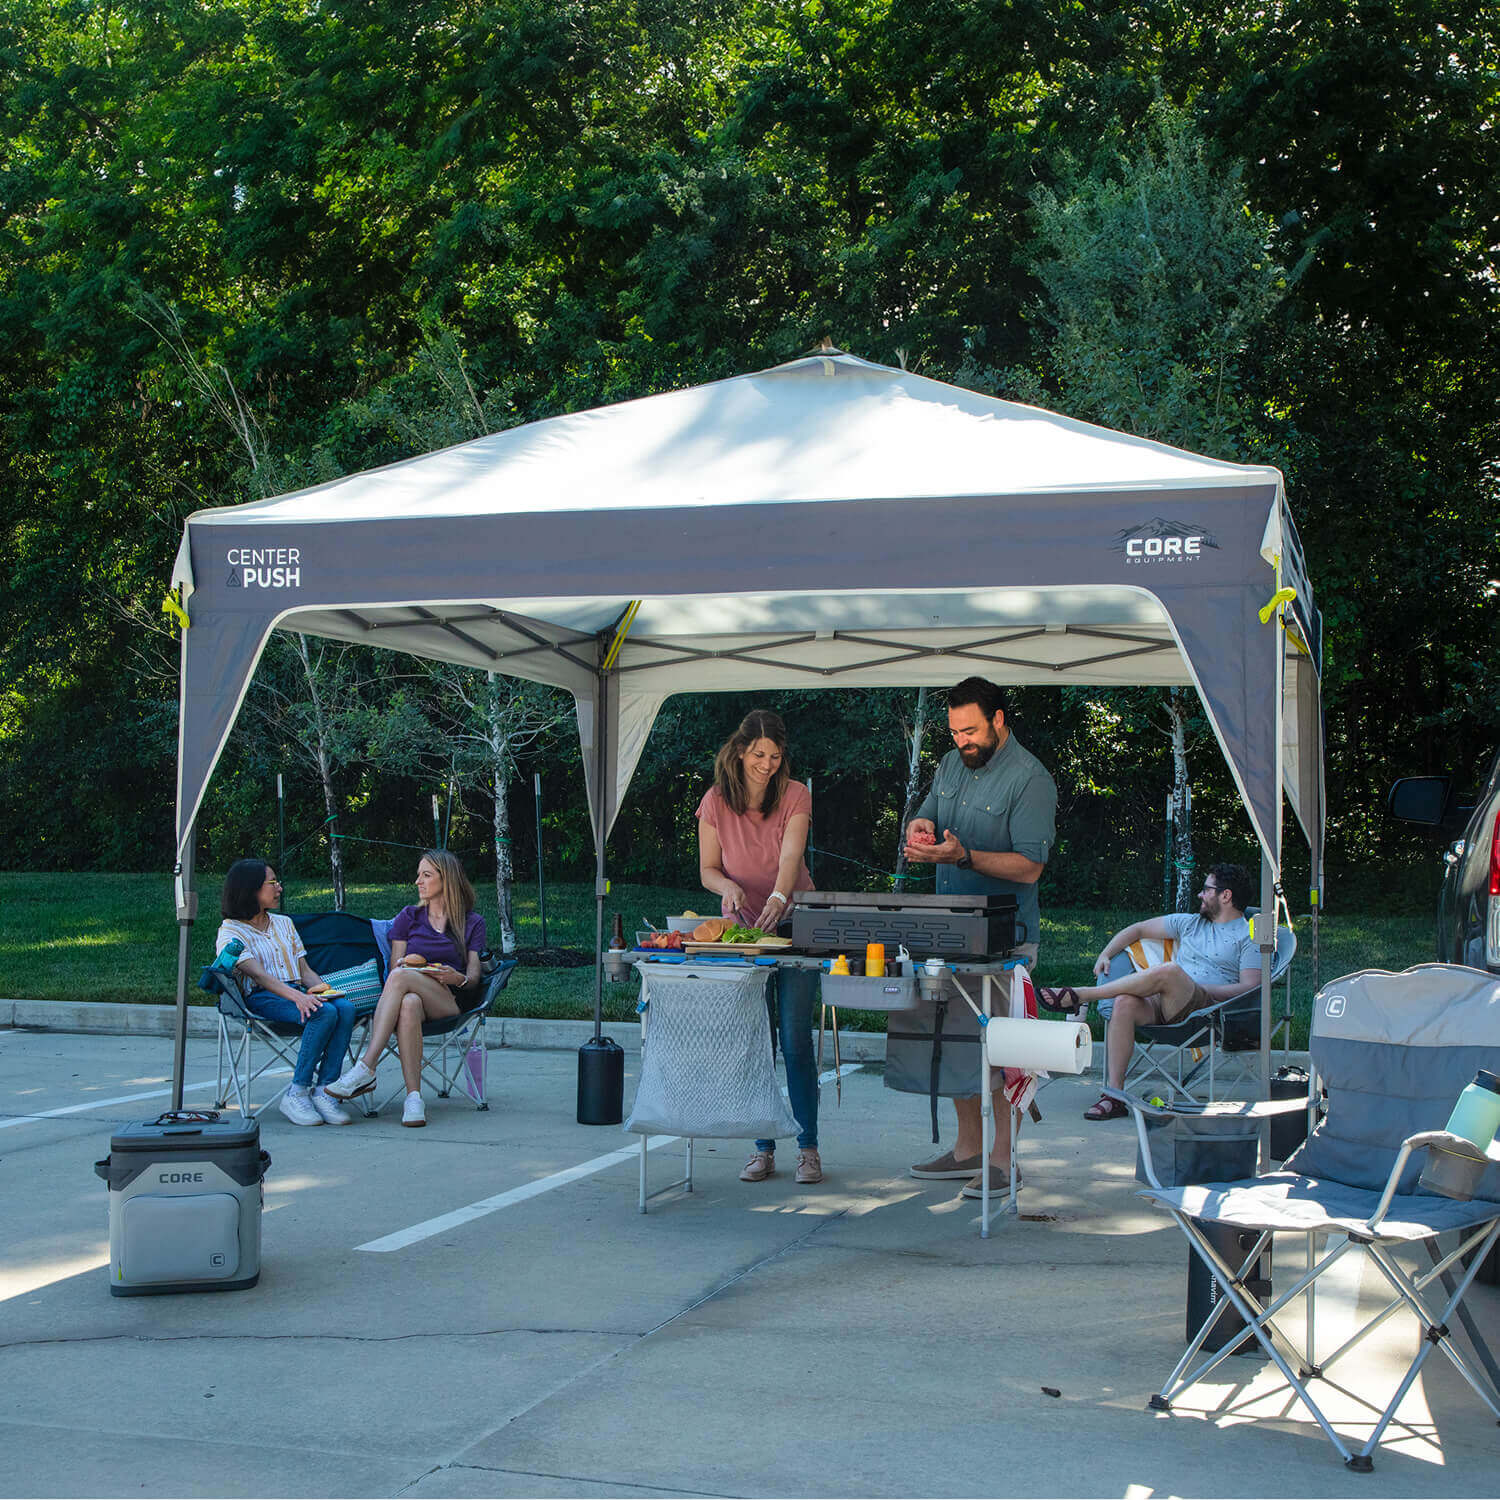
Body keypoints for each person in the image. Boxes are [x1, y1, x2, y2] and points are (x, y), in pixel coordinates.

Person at [902, 677, 1057, 1199]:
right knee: (953, 1043)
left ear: (998, 720)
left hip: (1005, 942)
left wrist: (963, 856)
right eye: (954, 731)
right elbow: (929, 809)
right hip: (947, 931)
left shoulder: (1030, 779)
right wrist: (920, 829)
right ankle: (967, 1150)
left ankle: (1002, 1160)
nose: (961, 740)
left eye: (970, 730)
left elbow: (1031, 866)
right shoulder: (951, 763)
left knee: (999, 1048)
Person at [697, 708, 821, 1185]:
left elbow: (790, 857)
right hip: (744, 932)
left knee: (793, 1039)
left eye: (774, 756)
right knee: (756, 1041)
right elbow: (708, 868)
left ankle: (807, 1149)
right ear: (739, 750)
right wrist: (724, 886)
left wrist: (776, 896)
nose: (767, 764)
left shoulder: (795, 795)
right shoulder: (715, 801)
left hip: (794, 925)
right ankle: (762, 1148)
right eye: (758, 754)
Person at [1038, 862, 1262, 1120]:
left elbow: (1250, 987)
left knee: (1168, 972)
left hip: (1206, 1011)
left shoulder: (1248, 936)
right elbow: (1139, 929)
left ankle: (1082, 996)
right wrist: (1105, 953)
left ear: (1226, 895)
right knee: (1124, 1003)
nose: (1200, 895)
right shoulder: (1190, 924)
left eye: (1206, 889)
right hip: (1167, 1004)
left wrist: (1199, 987)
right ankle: (1114, 1096)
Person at [327, 850, 486, 1128]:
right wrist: (414, 971)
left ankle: (366, 1067)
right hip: (414, 998)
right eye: (418, 875)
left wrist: (455, 977)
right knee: (409, 1001)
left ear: (446, 879)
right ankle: (414, 1099)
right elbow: (394, 968)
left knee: (402, 978)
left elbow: (473, 977)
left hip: (450, 1000)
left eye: (426, 875)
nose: (418, 882)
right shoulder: (409, 917)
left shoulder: (472, 922)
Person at [215, 858, 358, 1127]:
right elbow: (258, 975)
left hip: (295, 991)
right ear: (251, 889)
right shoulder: (230, 931)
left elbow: (304, 971)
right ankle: (297, 1092)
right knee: (322, 1013)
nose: (279, 888)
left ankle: (327, 1091)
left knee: (344, 1008)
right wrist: (300, 997)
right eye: (272, 883)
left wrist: (325, 990)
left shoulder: (283, 923)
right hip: (260, 997)